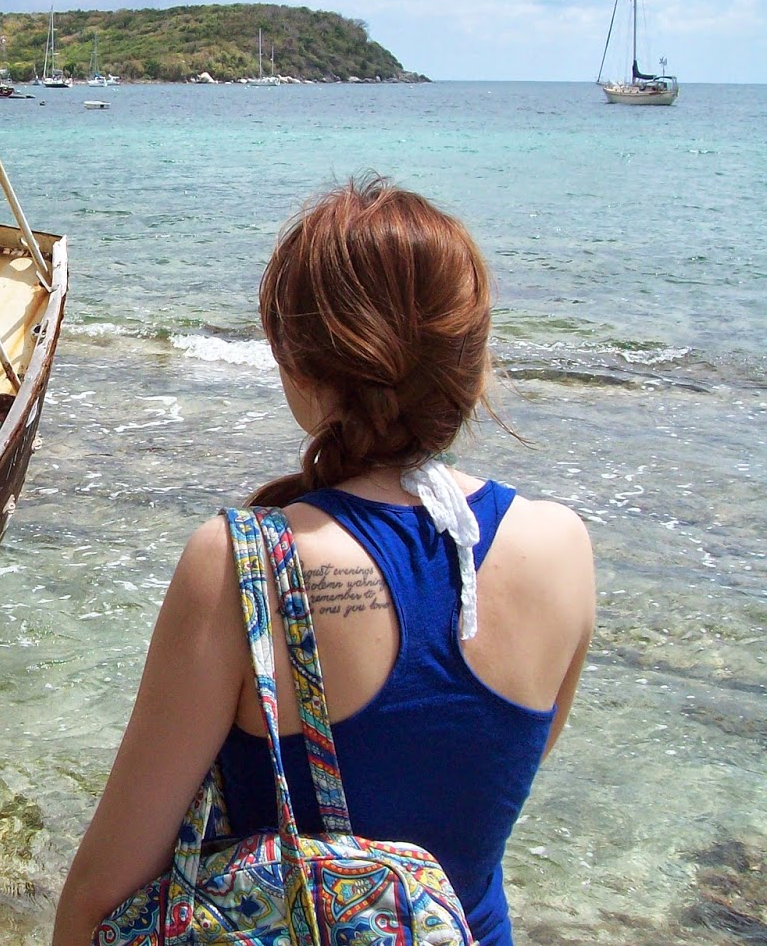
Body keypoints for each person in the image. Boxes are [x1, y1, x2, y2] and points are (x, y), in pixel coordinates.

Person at [52, 177, 595, 946]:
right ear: (474, 364)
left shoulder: (244, 563)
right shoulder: (563, 548)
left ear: (298, 369)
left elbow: (100, 898)